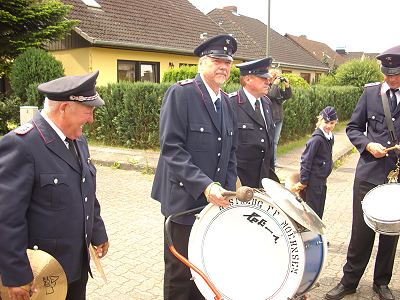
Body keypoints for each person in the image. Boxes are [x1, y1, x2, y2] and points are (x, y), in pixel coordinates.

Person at [0, 71, 109, 300]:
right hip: (39, 275)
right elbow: (7, 218)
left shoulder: (78, 139)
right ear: (64, 108)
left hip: (75, 266)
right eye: (88, 111)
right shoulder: (22, 145)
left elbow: (86, 189)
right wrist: (16, 274)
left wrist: (98, 232)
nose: (91, 119)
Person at [151, 35, 238, 300]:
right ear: (201, 63)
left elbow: (230, 152)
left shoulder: (226, 102)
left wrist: (229, 191)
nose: (223, 66)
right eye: (216, 60)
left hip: (213, 203)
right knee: (180, 272)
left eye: (227, 62)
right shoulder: (182, 93)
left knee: (205, 268)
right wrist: (204, 185)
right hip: (184, 200)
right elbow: (171, 149)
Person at [325, 45, 400, 300]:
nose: (389, 79)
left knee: (391, 233)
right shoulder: (370, 94)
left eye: (395, 74)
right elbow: (353, 128)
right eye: (386, 74)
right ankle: (349, 281)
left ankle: (382, 283)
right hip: (369, 173)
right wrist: (368, 144)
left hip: (397, 178)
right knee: (361, 231)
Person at [230, 57, 276, 188]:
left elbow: (269, 145)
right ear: (247, 79)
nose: (268, 81)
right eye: (263, 78)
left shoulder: (266, 103)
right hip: (240, 183)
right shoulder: (230, 103)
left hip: (263, 180)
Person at [294, 106, 338, 218]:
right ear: (320, 120)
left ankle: (317, 233)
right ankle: (312, 234)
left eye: (332, 123)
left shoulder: (329, 137)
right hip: (313, 181)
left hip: (322, 180)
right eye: (326, 122)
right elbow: (306, 160)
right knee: (312, 213)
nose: (329, 126)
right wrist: (303, 181)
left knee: (319, 211)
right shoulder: (316, 139)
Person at [268, 69, 292, 168]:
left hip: (278, 118)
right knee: (269, 141)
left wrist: (287, 86)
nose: (277, 79)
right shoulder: (266, 87)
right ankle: (270, 162)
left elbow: (287, 96)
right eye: (275, 77)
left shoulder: (276, 88)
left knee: (275, 141)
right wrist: (275, 85)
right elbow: (271, 95)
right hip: (271, 118)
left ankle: (273, 162)